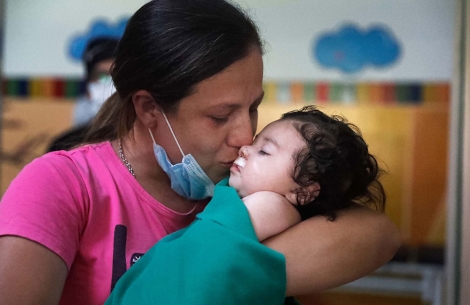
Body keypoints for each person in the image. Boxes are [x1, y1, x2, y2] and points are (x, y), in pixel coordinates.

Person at [0, 1, 400, 305]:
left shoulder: (243, 186)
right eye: (221, 115)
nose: (245, 134)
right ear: (149, 108)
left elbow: (379, 235)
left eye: (253, 107)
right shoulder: (62, 185)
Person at [105, 105, 387, 304]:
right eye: (257, 142)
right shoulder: (247, 200)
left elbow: (201, 263)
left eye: (264, 151)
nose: (245, 148)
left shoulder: (268, 207)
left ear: (304, 193)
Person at [47, 37, 119, 152]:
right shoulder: (64, 147)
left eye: (117, 76)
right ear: (88, 85)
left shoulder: (143, 144)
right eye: (102, 76)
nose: (110, 83)